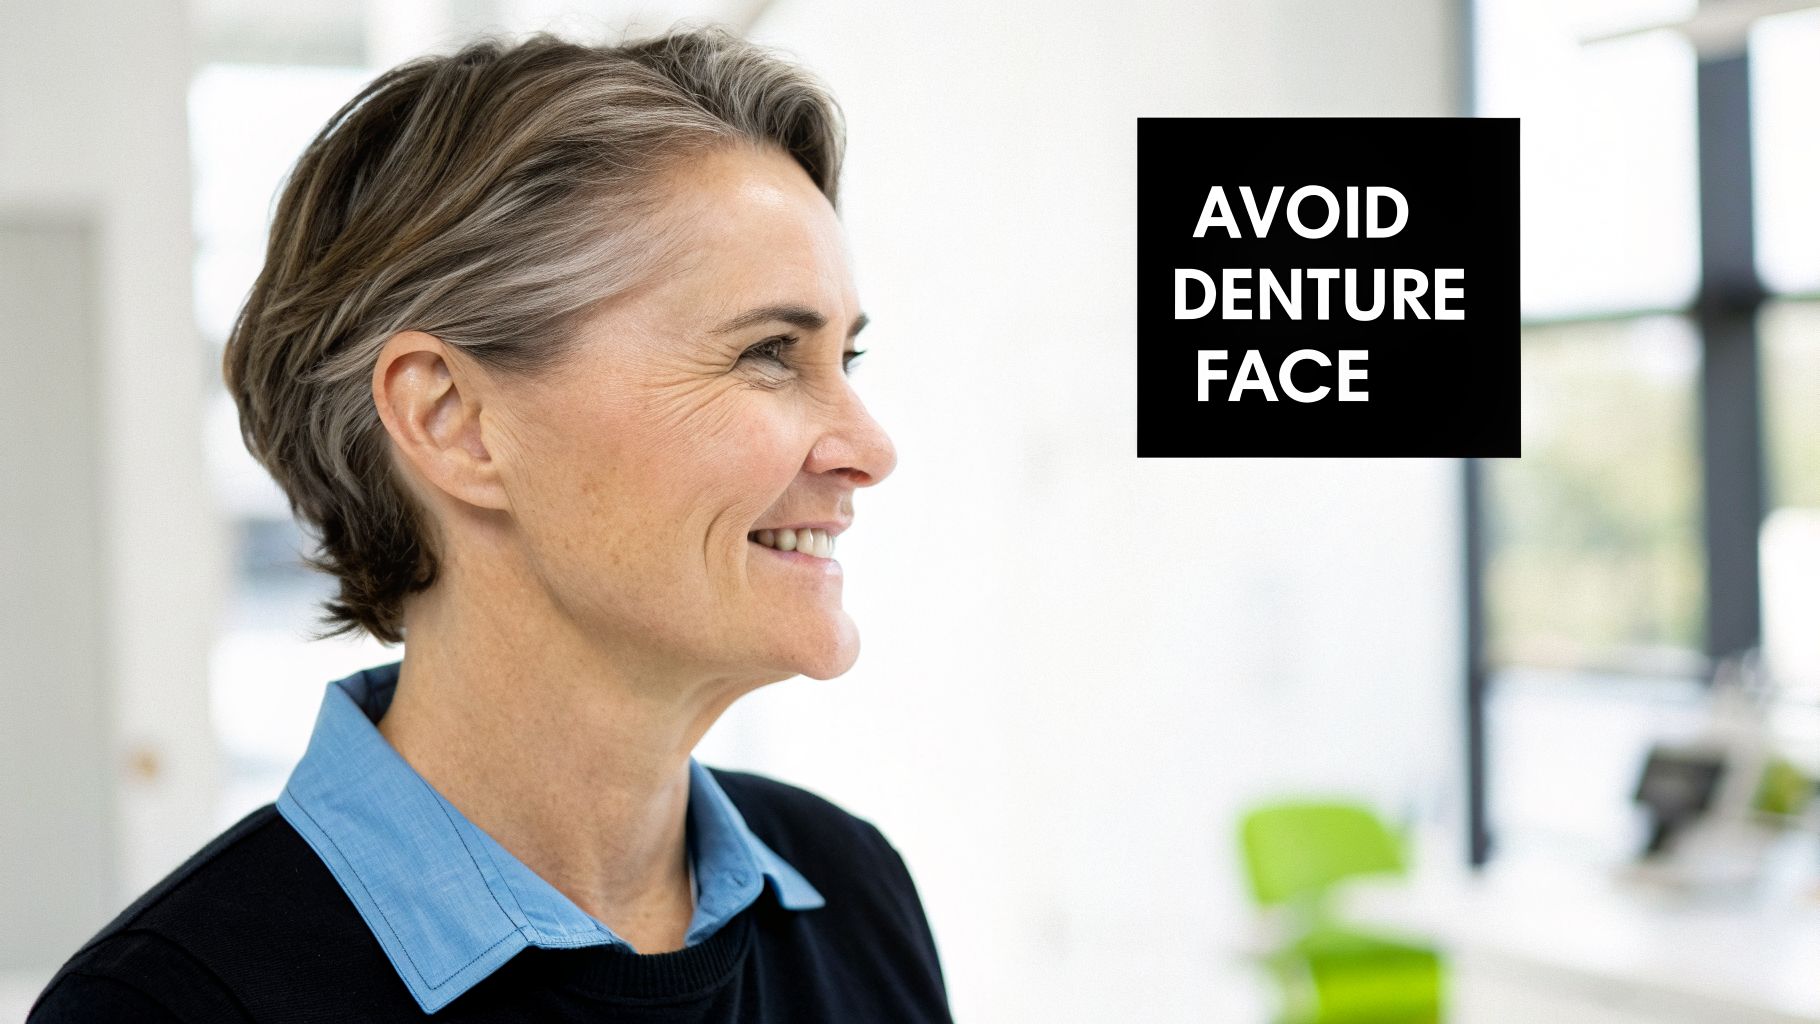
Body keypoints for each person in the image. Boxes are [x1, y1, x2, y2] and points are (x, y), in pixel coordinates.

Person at [30, 24, 951, 1023]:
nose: (868, 444)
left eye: (843, 361)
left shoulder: (852, 895)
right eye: (768, 353)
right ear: (452, 421)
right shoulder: (169, 1007)